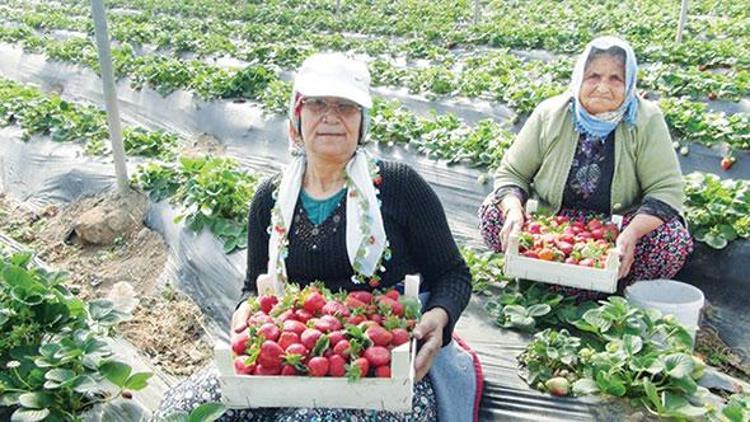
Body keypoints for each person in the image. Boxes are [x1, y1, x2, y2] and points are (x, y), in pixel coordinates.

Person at [155, 53, 477, 421]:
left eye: (346, 106)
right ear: (297, 116)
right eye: (317, 104)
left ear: (362, 122)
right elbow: (252, 287)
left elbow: (453, 273)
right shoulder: (271, 199)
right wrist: (246, 312)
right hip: (291, 360)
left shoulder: (400, 187)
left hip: (383, 368)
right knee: (183, 409)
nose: (331, 116)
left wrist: (439, 317)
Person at [479, 36, 693, 293]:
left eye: (616, 78)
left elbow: (666, 191)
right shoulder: (550, 114)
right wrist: (514, 212)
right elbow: (512, 173)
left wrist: (631, 234)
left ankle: (606, 282)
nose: (603, 87)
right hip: (552, 224)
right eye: (593, 76)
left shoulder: (646, 120)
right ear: (579, 77)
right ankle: (566, 280)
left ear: (630, 83)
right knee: (494, 213)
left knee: (671, 239)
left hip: (617, 228)